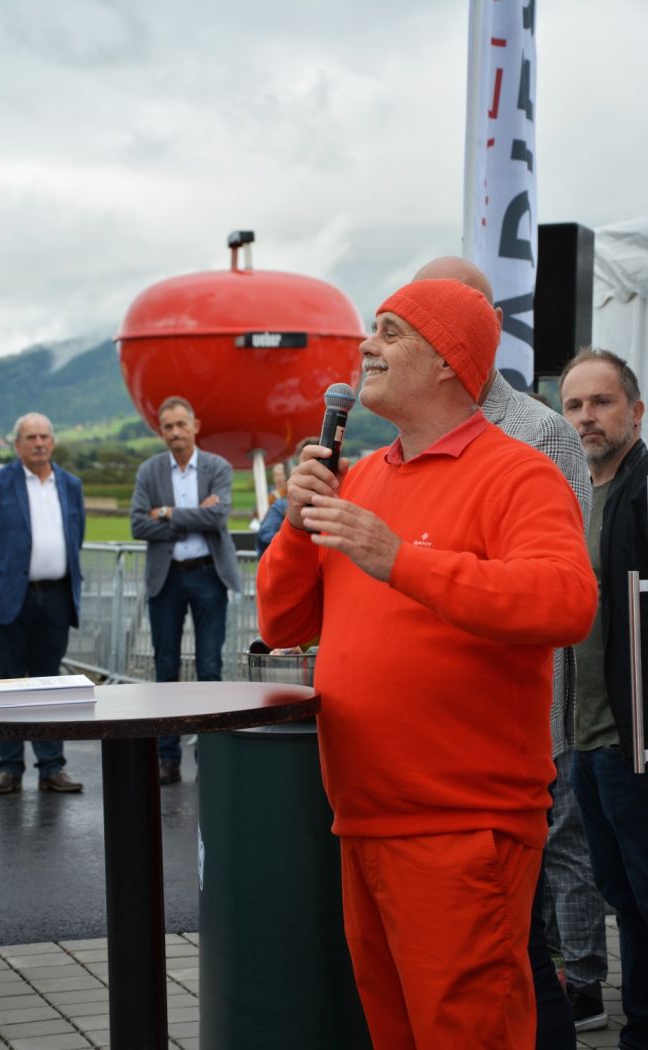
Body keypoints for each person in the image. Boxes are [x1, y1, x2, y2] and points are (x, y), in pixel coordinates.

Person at [257, 277, 597, 1050]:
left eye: (391, 331)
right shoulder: (362, 477)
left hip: (464, 826)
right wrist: (296, 525)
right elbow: (283, 623)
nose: (366, 346)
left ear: (448, 359)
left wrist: (400, 559)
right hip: (363, 817)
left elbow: (565, 601)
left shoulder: (517, 473)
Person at [414, 257, 608, 1041]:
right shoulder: (412, 429)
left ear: (487, 325)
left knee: (517, 940)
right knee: (482, 948)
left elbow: (560, 584)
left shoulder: (538, 431)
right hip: (435, 734)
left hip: (513, 732)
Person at [560, 349, 648, 1050]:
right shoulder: (573, 498)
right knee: (622, 896)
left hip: (634, 737)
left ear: (636, 412)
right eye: (574, 405)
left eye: (602, 402)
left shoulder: (643, 492)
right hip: (584, 738)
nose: (586, 417)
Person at [0, 413, 85, 795]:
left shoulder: (70, 484)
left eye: (44, 436)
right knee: (8, 681)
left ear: (53, 441)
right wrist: (2, 573)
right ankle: (8, 768)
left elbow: (76, 534)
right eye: (30, 437)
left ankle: (52, 766)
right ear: (17, 444)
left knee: (51, 682)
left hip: (56, 596)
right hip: (10, 597)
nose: (39, 443)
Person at [130, 396, 241, 785]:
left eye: (181, 424)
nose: (175, 432)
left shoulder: (217, 467)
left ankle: (209, 754)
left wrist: (166, 513)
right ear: (160, 431)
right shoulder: (149, 471)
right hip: (167, 578)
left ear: (195, 426)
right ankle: (168, 758)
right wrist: (193, 516)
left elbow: (218, 515)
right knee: (165, 668)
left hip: (208, 575)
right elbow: (137, 525)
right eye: (168, 427)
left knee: (210, 667)